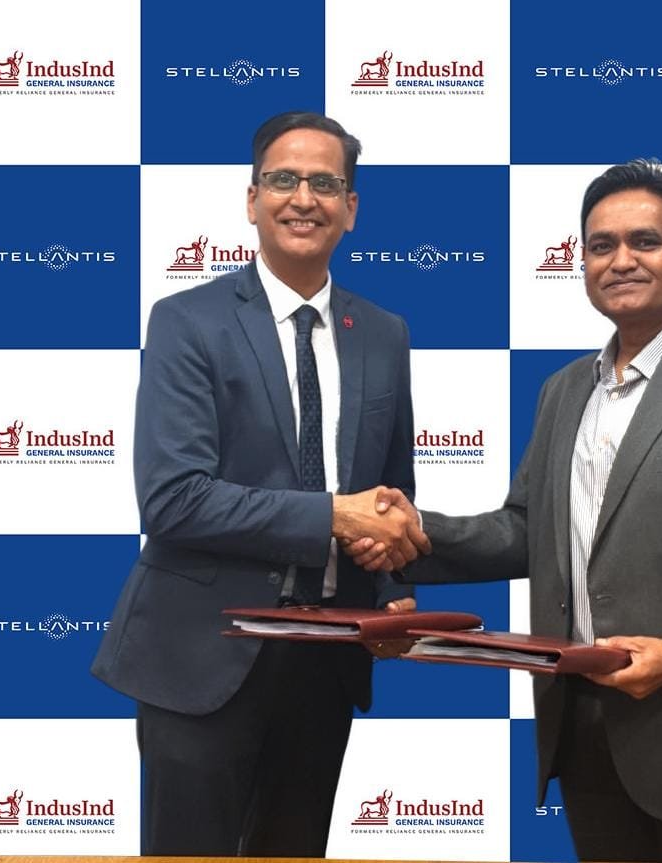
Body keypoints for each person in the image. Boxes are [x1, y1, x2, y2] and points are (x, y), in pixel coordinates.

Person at [350, 159, 662, 863]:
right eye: (600, 245)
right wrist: (414, 533)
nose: (621, 260)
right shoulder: (563, 390)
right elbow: (526, 531)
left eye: (646, 241)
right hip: (585, 733)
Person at [92, 111, 427, 857]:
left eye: (325, 183)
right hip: (202, 653)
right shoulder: (186, 321)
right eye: (283, 179)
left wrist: (391, 586)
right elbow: (173, 499)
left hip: (326, 660)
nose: (304, 198)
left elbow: (389, 491)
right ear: (252, 200)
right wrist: (334, 516)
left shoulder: (384, 333)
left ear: (351, 208)